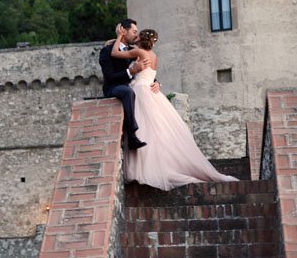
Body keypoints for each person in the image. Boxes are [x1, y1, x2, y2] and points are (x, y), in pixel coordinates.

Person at [111, 28, 238, 190]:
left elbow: (115, 53)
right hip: (152, 93)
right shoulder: (154, 56)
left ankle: (147, 169)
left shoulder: (139, 52)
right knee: (157, 130)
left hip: (141, 91)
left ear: (140, 39)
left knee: (144, 129)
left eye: (137, 34)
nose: (135, 36)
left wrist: (119, 36)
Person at [98, 18, 156, 149]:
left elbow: (145, 70)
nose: (137, 35)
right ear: (124, 31)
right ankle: (132, 135)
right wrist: (130, 71)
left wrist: (155, 82)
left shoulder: (134, 50)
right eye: (134, 31)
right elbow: (109, 77)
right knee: (127, 91)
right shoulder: (107, 51)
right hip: (113, 88)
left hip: (134, 87)